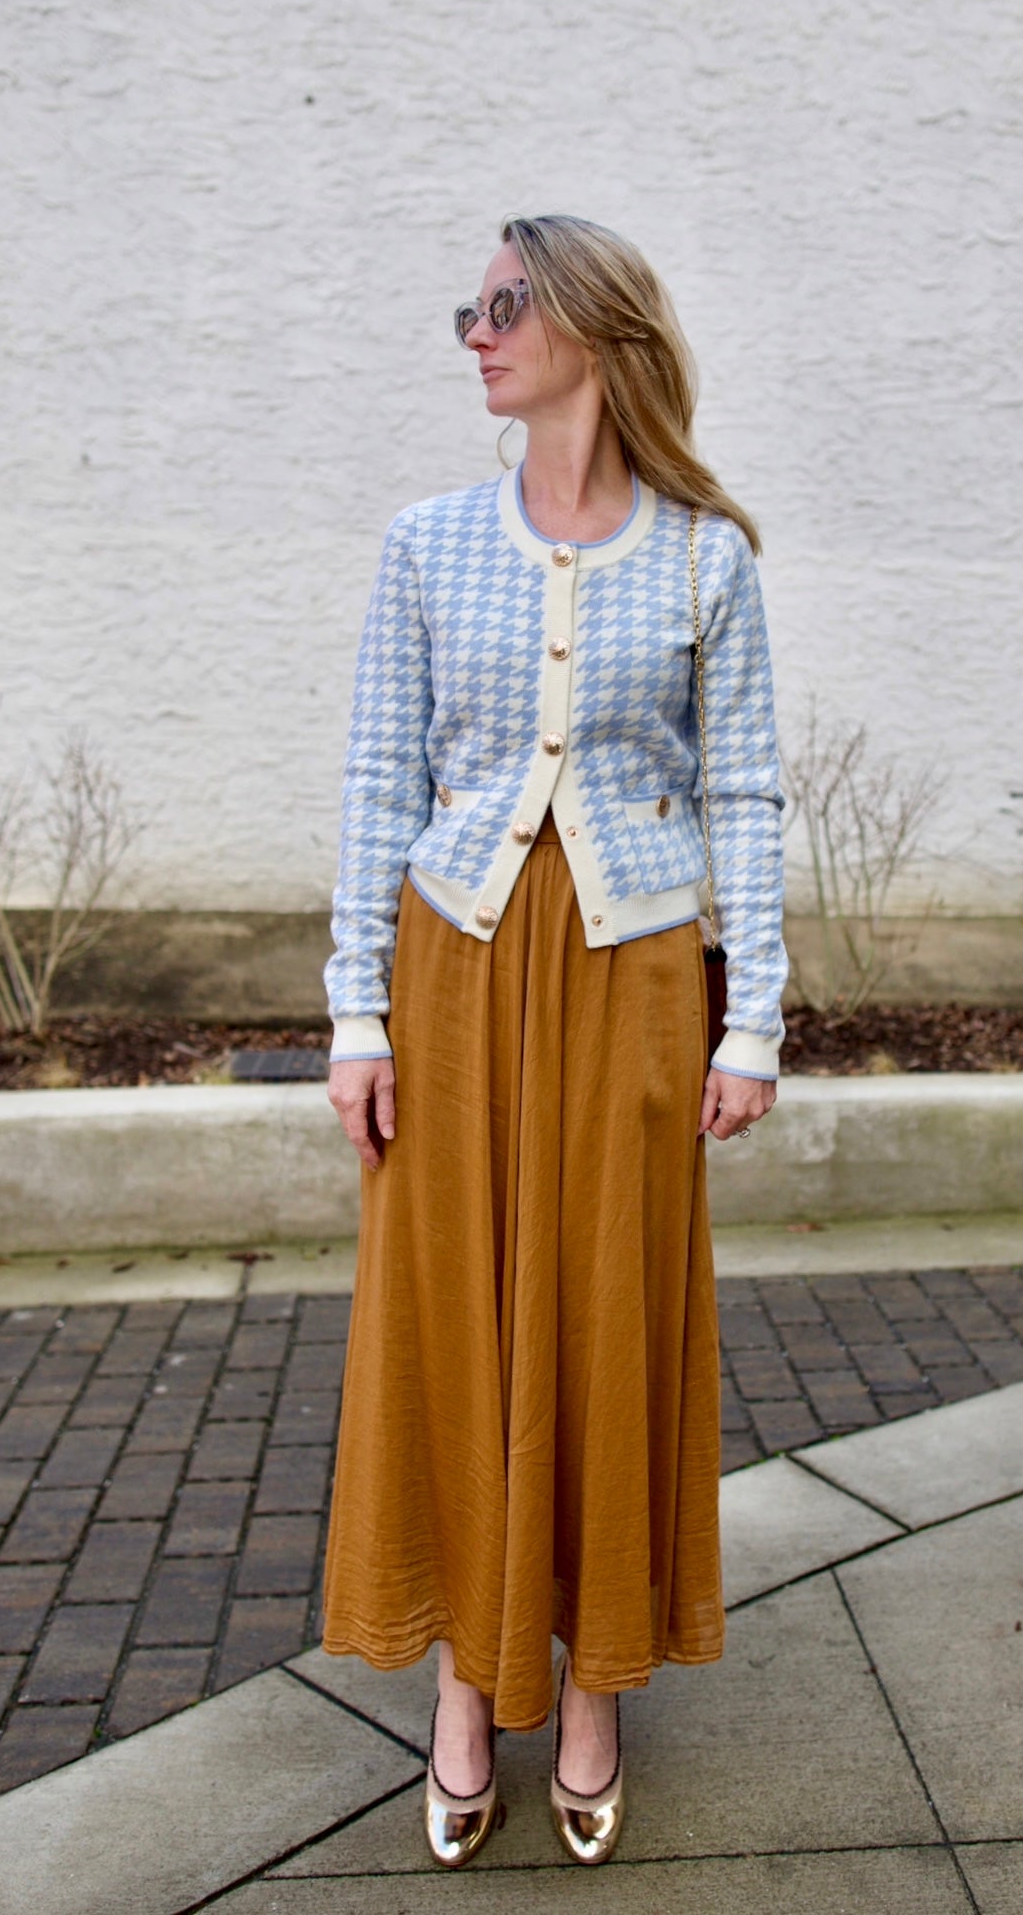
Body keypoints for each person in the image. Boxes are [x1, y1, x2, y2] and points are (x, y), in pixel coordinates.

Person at [320, 212, 787, 1869]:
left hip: (641, 976)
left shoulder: (706, 556)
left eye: (507, 305)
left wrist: (761, 1022)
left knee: (606, 1318)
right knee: (454, 1317)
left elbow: (743, 792)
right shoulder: (425, 542)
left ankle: (593, 1687)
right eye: (475, 305)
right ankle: (466, 1682)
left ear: (593, 330)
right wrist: (357, 1009)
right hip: (455, 977)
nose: (478, 331)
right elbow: (381, 781)